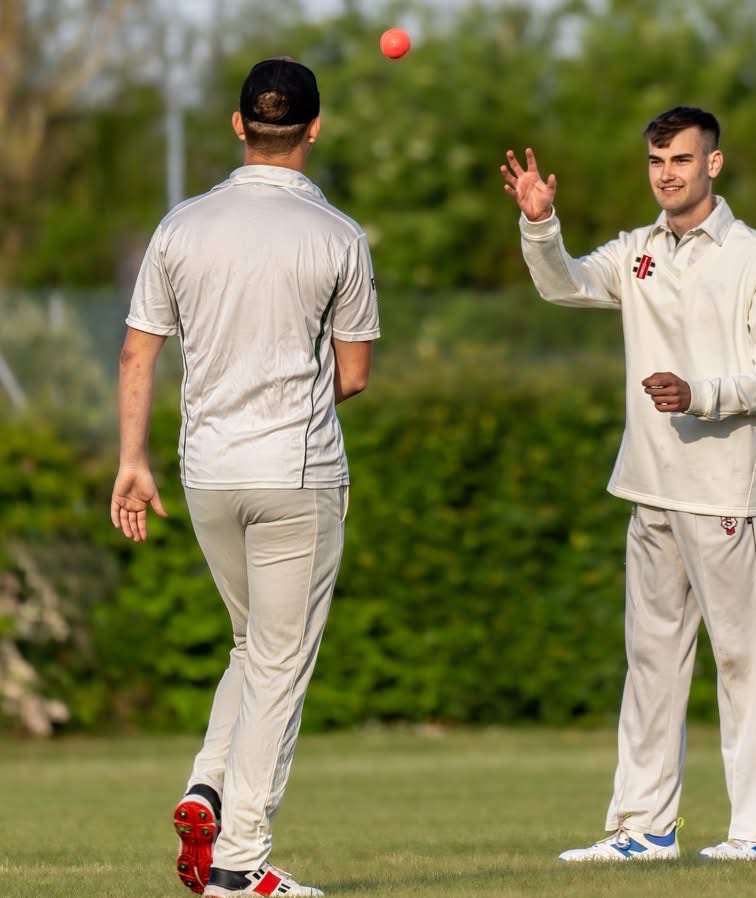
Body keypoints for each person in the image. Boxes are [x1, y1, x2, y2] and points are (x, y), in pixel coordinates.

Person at [500, 106, 756, 862]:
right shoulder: (638, 252)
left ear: (714, 165)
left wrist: (698, 393)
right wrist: (542, 224)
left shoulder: (754, 258)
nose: (667, 173)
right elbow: (563, 286)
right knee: (652, 665)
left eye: (682, 160)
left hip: (728, 492)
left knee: (747, 663)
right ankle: (643, 828)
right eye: (657, 161)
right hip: (651, 488)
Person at [111, 58, 380, 897]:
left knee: (251, 648)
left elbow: (137, 352)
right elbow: (357, 373)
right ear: (315, 127)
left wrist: (131, 461)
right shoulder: (338, 235)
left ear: (238, 125)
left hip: (207, 476)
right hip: (296, 474)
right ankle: (238, 866)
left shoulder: (181, 226)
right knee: (280, 662)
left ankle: (207, 788)